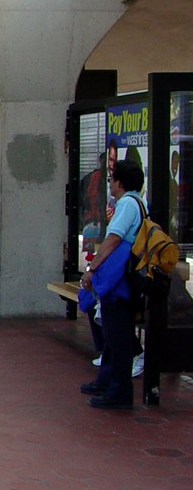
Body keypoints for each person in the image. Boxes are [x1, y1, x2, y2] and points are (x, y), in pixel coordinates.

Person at [79, 159, 145, 409]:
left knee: (117, 335)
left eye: (111, 179)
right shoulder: (138, 203)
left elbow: (113, 239)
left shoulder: (127, 204)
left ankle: (118, 391)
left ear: (120, 182)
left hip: (119, 280)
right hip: (123, 278)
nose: (109, 184)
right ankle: (106, 380)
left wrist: (93, 268)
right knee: (111, 331)